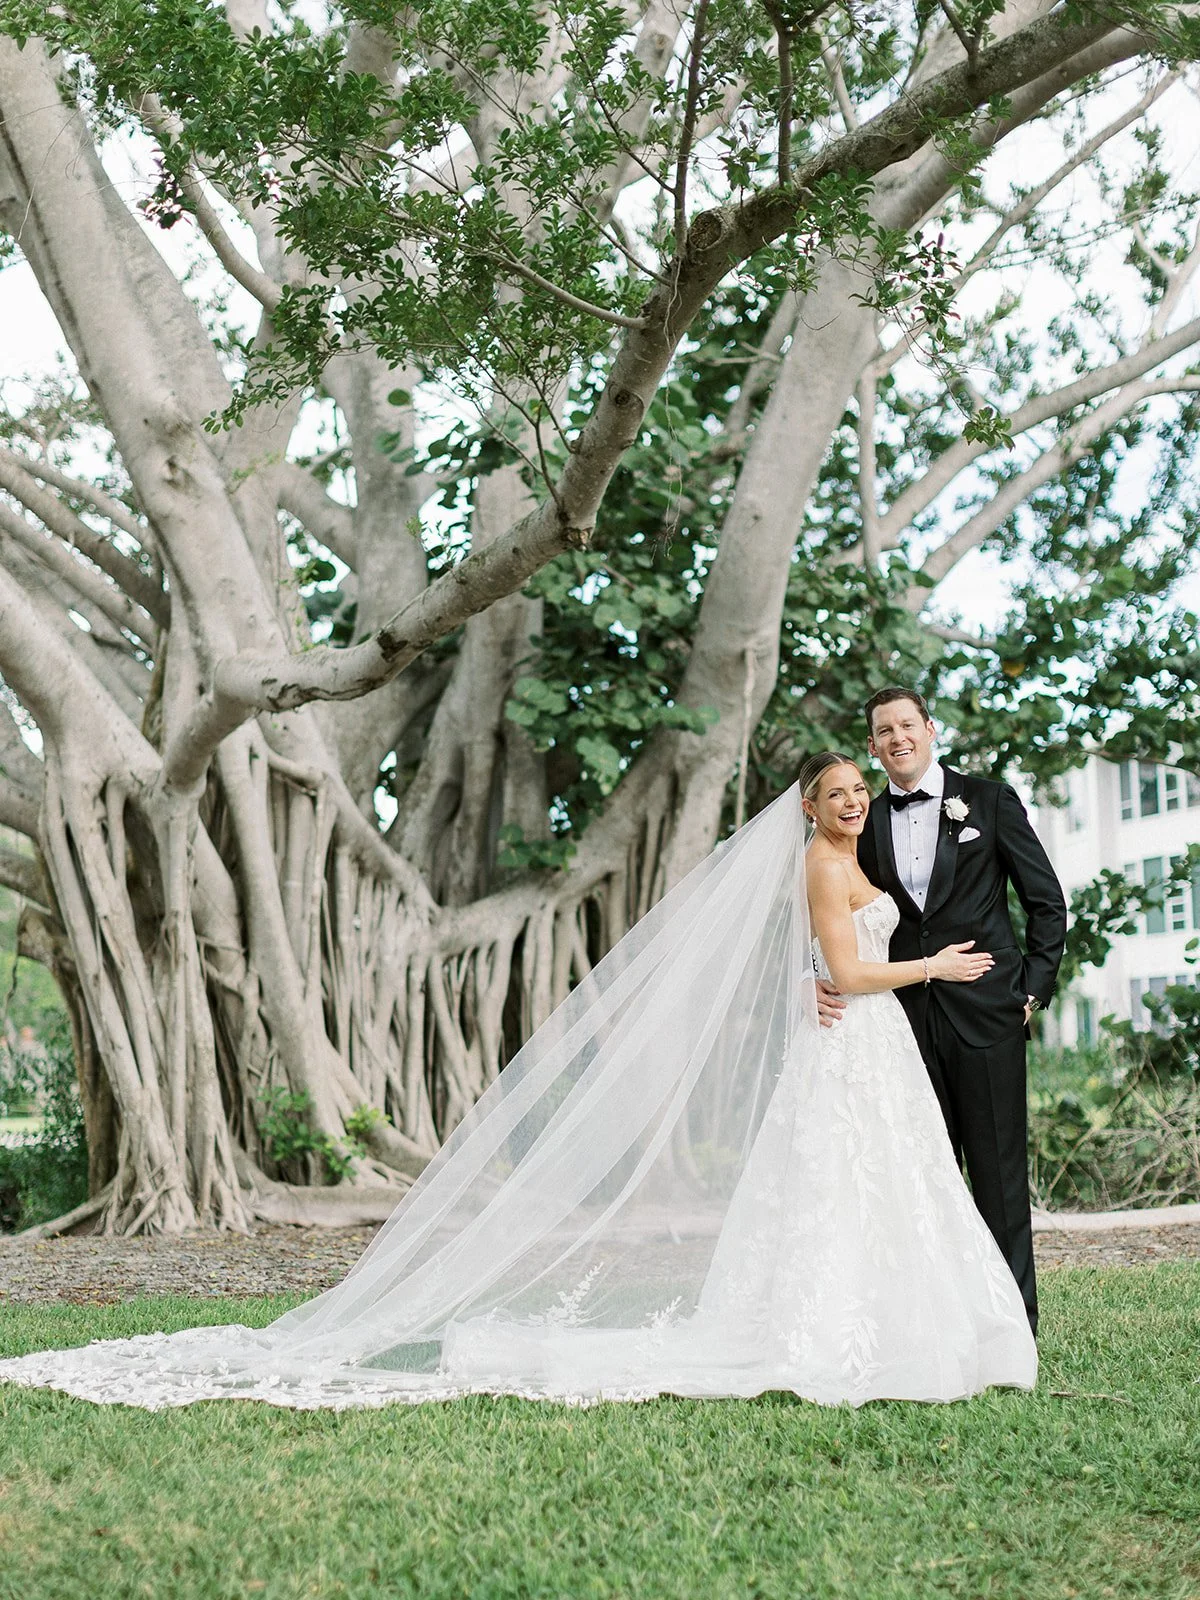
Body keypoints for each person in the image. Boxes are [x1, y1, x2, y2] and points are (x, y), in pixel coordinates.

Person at [0, 756, 1036, 1411]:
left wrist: (884, 973)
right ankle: (826, 1331)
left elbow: (833, 962)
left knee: (883, 1188)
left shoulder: (865, 857)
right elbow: (849, 968)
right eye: (839, 791)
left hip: (869, 1048)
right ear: (807, 806)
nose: (855, 799)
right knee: (832, 1186)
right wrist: (930, 970)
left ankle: (903, 1322)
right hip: (858, 1032)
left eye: (861, 788)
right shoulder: (819, 860)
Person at [835, 687, 1067, 1336]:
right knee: (921, 1174)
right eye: (883, 730)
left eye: (907, 724)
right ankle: (936, 1323)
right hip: (901, 1020)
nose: (897, 738)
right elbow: (846, 914)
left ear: (931, 729)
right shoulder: (868, 820)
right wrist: (820, 977)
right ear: (874, 746)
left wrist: (1031, 990)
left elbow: (1046, 902)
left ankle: (1013, 1325)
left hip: (988, 1015)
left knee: (997, 1176)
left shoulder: (989, 801)